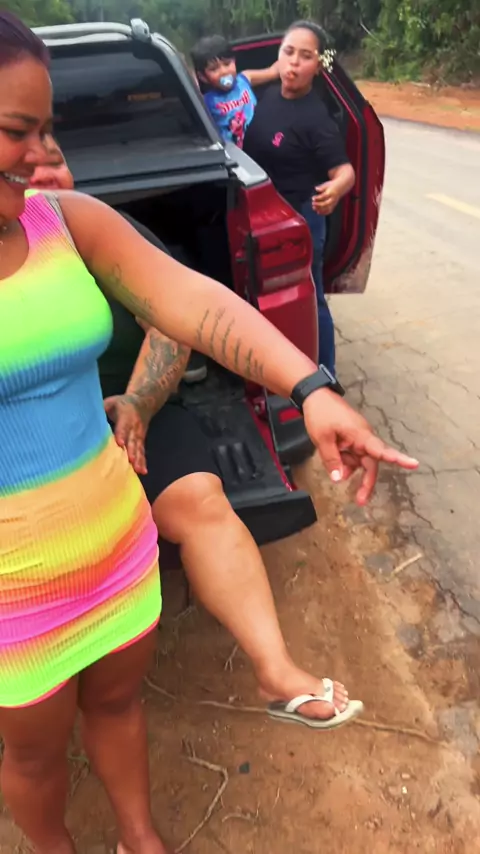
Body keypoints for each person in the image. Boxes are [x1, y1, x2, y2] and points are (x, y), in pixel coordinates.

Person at [0, 11, 419, 854]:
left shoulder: (64, 220)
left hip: (115, 547)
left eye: (48, 129)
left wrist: (311, 388)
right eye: (19, 130)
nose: (41, 154)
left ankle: (141, 838)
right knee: (34, 759)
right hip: (12, 593)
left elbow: (192, 301)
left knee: (118, 705)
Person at [30, 135, 380, 729]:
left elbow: (175, 321)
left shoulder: (93, 231)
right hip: (32, 446)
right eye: (23, 154)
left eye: (55, 161)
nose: (44, 175)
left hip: (131, 412)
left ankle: (275, 670)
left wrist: (140, 403)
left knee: (201, 502)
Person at [244, 20, 355, 377]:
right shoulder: (266, 95)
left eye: (305, 56)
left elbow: (345, 172)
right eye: (288, 52)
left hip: (300, 220)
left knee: (309, 297)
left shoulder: (315, 118)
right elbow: (235, 82)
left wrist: (335, 190)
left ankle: (326, 373)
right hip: (261, 214)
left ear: (318, 66)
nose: (293, 62)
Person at [191, 34, 278, 148]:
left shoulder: (245, 79)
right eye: (214, 69)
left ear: (234, 61)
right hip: (236, 154)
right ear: (203, 77)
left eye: (227, 64)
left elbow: (273, 72)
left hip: (263, 142)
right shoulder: (206, 101)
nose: (224, 71)